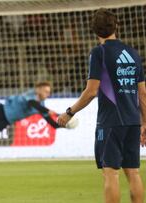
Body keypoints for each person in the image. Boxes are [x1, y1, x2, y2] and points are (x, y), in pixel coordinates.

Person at [57, 8, 146, 203]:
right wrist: (144, 123)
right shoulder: (132, 53)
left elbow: (91, 92)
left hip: (110, 122)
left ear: (94, 31)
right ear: (117, 26)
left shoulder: (99, 53)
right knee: (133, 173)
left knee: (110, 173)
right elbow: (143, 93)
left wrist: (69, 112)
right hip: (132, 121)